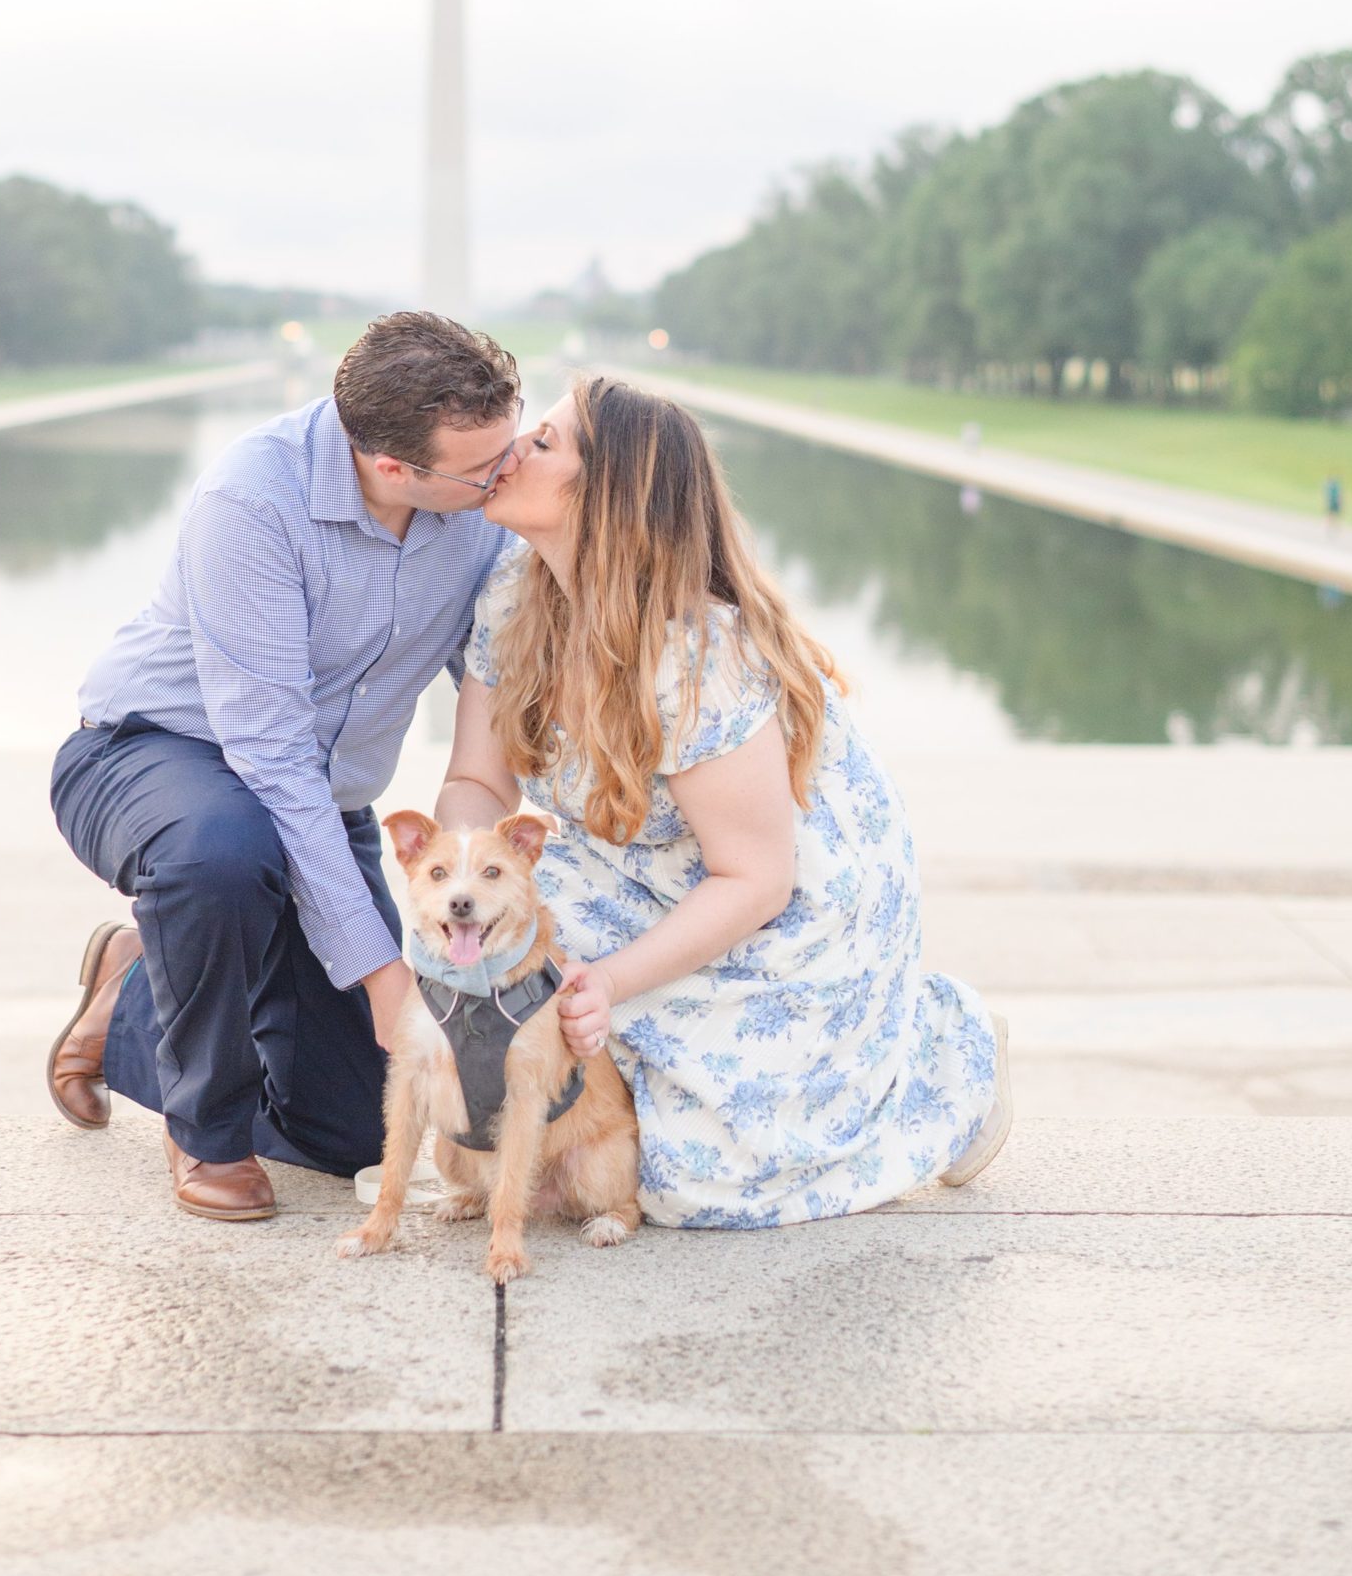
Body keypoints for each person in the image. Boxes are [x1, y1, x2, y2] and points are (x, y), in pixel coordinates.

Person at [432, 375, 1010, 1228]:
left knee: (687, 1184)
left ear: (607, 496)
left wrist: (608, 983)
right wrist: (461, 891)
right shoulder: (514, 591)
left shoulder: (697, 659)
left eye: (545, 442)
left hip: (781, 908)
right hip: (625, 861)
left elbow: (754, 876)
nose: (515, 447)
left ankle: (946, 1054)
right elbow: (478, 781)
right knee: (509, 960)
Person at [46, 311, 519, 1220]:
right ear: (393, 467)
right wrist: (382, 974)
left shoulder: (477, 516)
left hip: (311, 800)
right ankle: (207, 1133)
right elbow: (267, 756)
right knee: (224, 854)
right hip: (156, 758)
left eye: (510, 448)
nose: (504, 475)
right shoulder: (251, 500)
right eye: (482, 466)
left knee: (353, 1126)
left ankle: (133, 996)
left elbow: (502, 690)